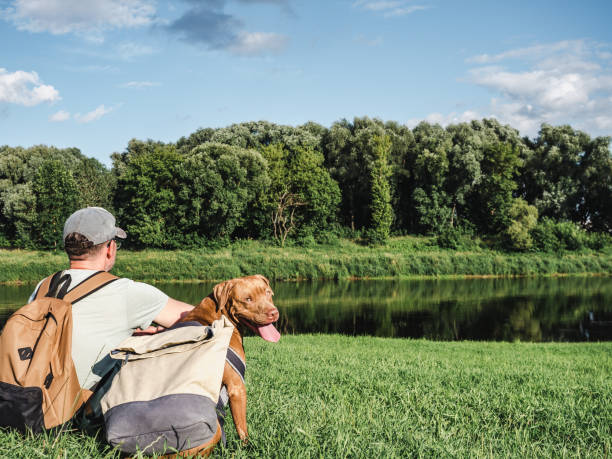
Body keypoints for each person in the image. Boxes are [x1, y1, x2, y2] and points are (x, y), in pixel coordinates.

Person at [28, 207, 194, 391]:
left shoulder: (44, 285)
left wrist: (131, 336)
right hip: (78, 406)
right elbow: (200, 319)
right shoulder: (127, 292)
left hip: (33, 396)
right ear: (110, 248)